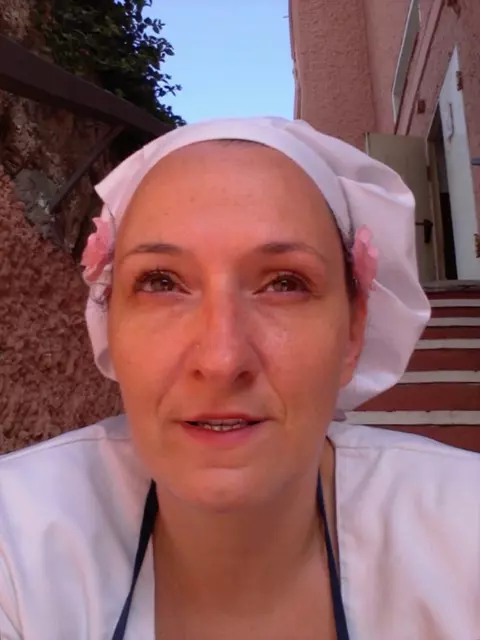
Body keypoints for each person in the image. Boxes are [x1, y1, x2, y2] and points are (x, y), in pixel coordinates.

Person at [0, 117, 478, 640]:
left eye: (284, 283)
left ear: (354, 329)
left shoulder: (464, 527)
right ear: (106, 317)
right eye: (161, 282)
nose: (222, 359)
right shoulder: (16, 541)